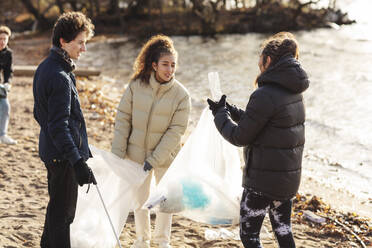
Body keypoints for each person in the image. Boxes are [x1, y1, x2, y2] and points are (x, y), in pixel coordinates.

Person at [207, 32, 309, 248]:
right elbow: (263, 126)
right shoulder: (294, 92)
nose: (258, 64)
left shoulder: (264, 94)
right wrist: (230, 110)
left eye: (260, 59)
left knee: (250, 236)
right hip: (286, 181)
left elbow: (239, 136)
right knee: (283, 231)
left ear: (268, 60)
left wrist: (219, 116)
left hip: (262, 183)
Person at [111, 34, 191, 248]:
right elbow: (123, 117)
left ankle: (163, 241)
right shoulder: (136, 85)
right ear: (154, 65)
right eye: (165, 64)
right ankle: (141, 240)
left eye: (173, 65)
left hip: (165, 157)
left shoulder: (181, 95)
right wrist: (118, 153)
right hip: (136, 154)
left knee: (166, 201)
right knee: (140, 199)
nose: (170, 70)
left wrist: (154, 159)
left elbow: (176, 132)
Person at [33, 12, 96, 248]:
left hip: (53, 152)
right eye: (80, 42)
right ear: (63, 41)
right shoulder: (60, 76)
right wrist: (77, 161)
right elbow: (58, 126)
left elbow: (40, 115)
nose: (84, 49)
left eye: (85, 43)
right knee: (64, 216)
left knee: (56, 209)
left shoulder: (46, 67)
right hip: (62, 156)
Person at [0, 25, 17, 145]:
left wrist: (7, 83)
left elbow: (8, 71)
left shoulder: (8, 54)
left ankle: (3, 135)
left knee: (5, 106)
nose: (2, 42)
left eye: (4, 39)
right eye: (0, 39)